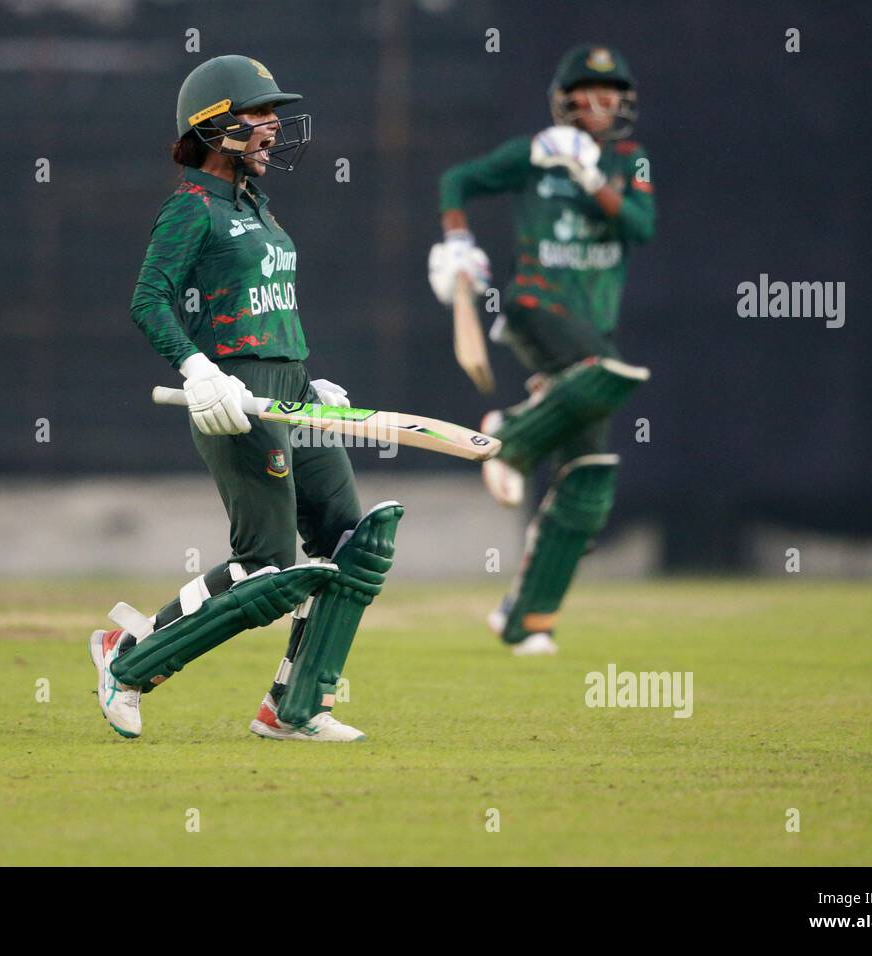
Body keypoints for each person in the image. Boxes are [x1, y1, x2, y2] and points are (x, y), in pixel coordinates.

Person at [87, 54, 402, 741]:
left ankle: (294, 708)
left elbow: (266, 306)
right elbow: (149, 300)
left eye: (273, 116)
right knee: (268, 564)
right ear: (215, 126)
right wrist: (198, 370)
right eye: (259, 116)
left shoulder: (255, 205)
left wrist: (307, 379)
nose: (272, 128)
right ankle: (129, 658)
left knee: (355, 546)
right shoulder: (190, 207)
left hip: (289, 390)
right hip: (233, 394)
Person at [428, 44, 655, 656]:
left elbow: (639, 226)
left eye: (611, 93)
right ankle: (515, 437)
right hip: (534, 309)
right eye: (588, 91)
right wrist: (457, 246)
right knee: (605, 374)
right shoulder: (532, 155)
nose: (600, 103)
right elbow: (458, 180)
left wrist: (592, 179)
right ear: (566, 99)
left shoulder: (631, 161)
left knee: (587, 483)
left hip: (590, 327)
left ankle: (527, 619)